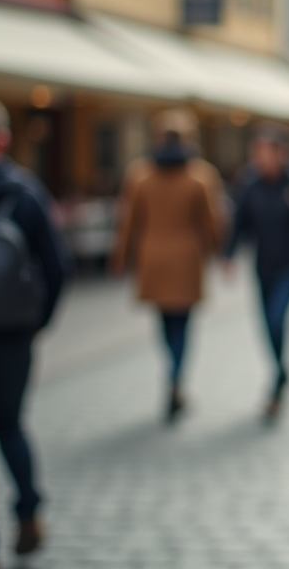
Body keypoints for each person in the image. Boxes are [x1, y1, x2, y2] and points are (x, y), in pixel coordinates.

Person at [0, 94, 71, 569]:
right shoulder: (27, 191)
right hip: (14, 332)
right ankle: (29, 511)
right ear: (4, 138)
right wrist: (39, 321)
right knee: (10, 426)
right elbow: (58, 266)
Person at [111, 110, 223, 422]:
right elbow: (212, 222)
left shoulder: (140, 175)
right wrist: (219, 250)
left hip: (154, 257)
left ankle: (171, 371)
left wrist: (120, 258)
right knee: (183, 324)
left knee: (163, 321)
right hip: (186, 257)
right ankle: (177, 375)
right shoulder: (200, 175)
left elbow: (128, 221)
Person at [224, 123, 289, 421]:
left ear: (283, 154)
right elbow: (239, 223)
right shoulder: (250, 185)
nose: (260, 158)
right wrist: (228, 256)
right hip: (263, 265)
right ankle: (281, 371)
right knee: (266, 324)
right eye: (257, 152)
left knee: (278, 318)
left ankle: (278, 381)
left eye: (265, 152)